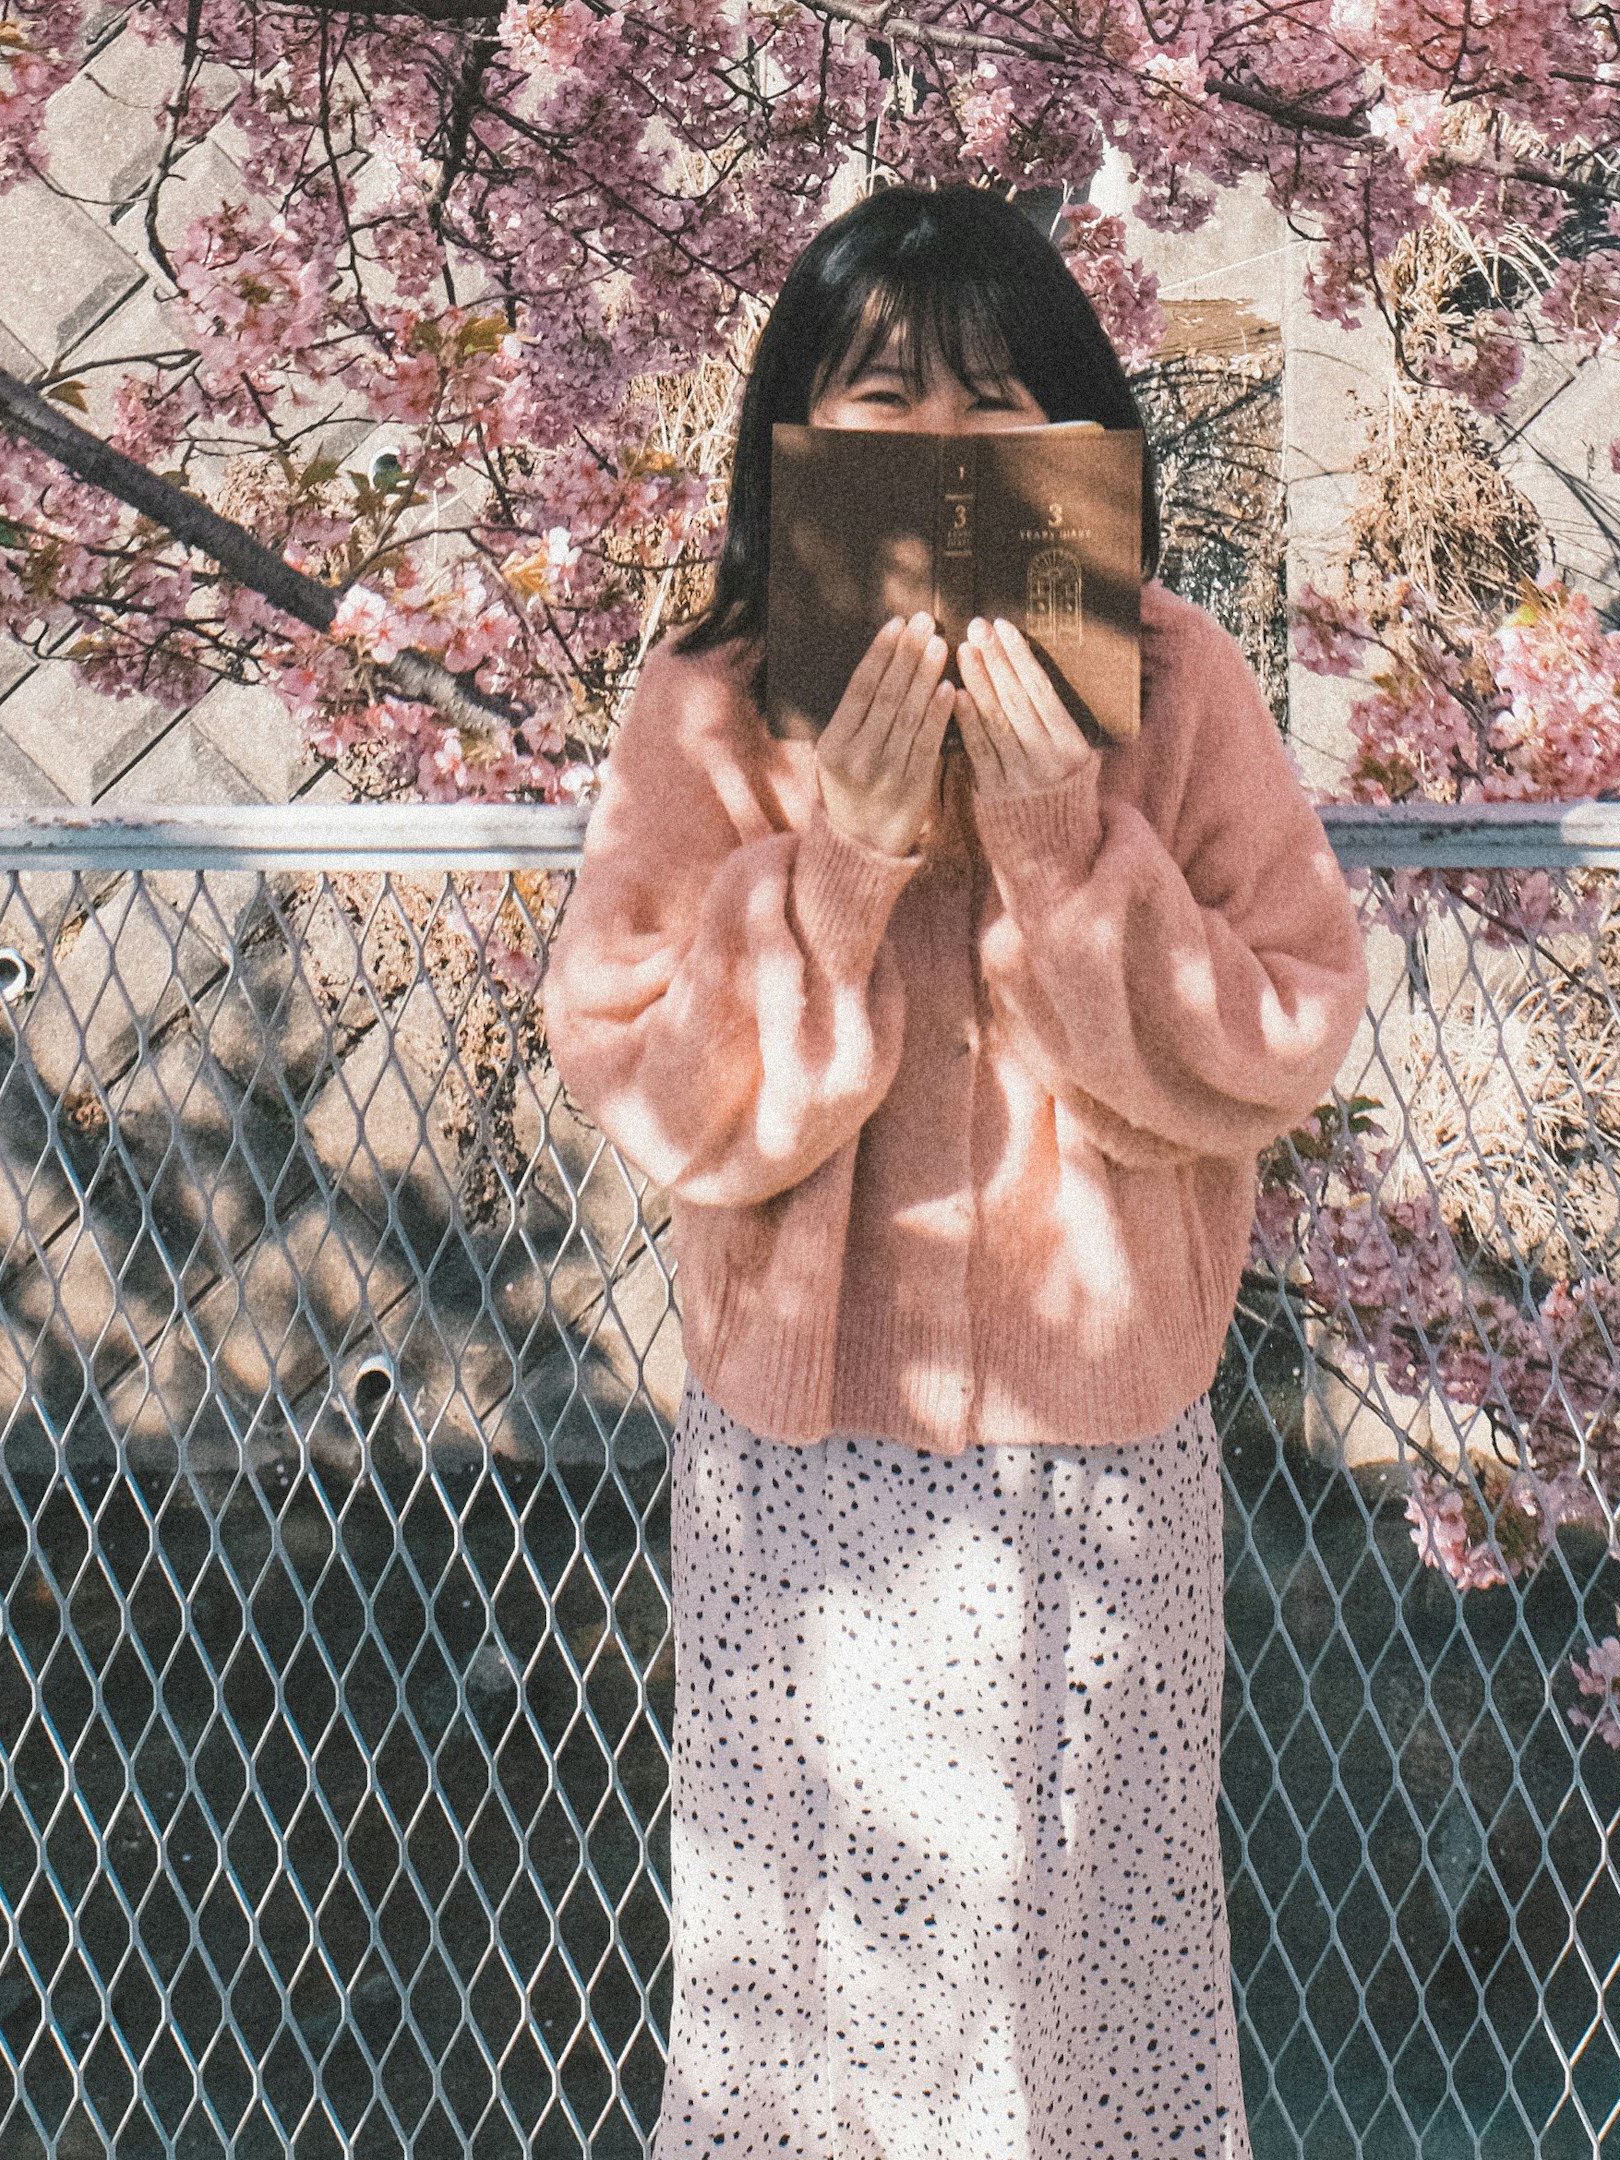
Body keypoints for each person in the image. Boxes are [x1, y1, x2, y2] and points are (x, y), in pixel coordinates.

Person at [546, 185, 1368, 2160]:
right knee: (806, 1968)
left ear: (1081, 445)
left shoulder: (1176, 682)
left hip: (1097, 1446)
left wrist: (1068, 841)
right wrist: (831, 864)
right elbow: (649, 1087)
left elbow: (1276, 1038)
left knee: (1088, 1963)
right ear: (795, 439)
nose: (938, 451)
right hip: (805, 1451)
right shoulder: (713, 699)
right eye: (883, 399)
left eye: (998, 405)